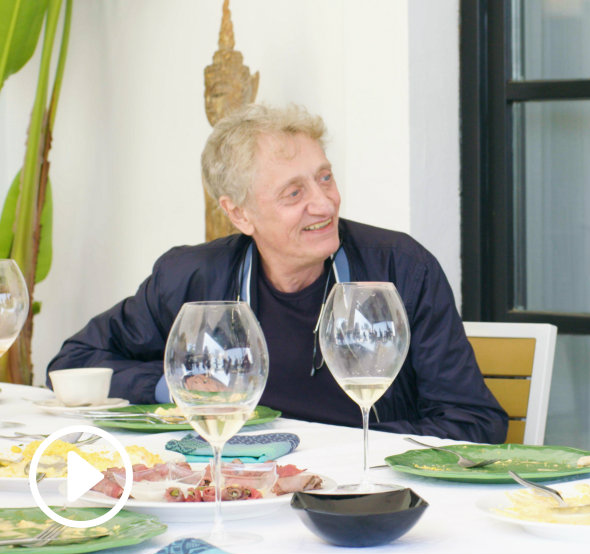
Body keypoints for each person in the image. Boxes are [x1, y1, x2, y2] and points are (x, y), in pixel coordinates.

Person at [48, 103, 508, 444]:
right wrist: (174, 387)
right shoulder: (190, 278)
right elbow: (73, 361)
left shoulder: (401, 269)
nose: (324, 204)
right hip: (235, 488)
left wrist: (338, 451)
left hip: (360, 497)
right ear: (240, 214)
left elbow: (473, 422)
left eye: (324, 177)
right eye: (294, 192)